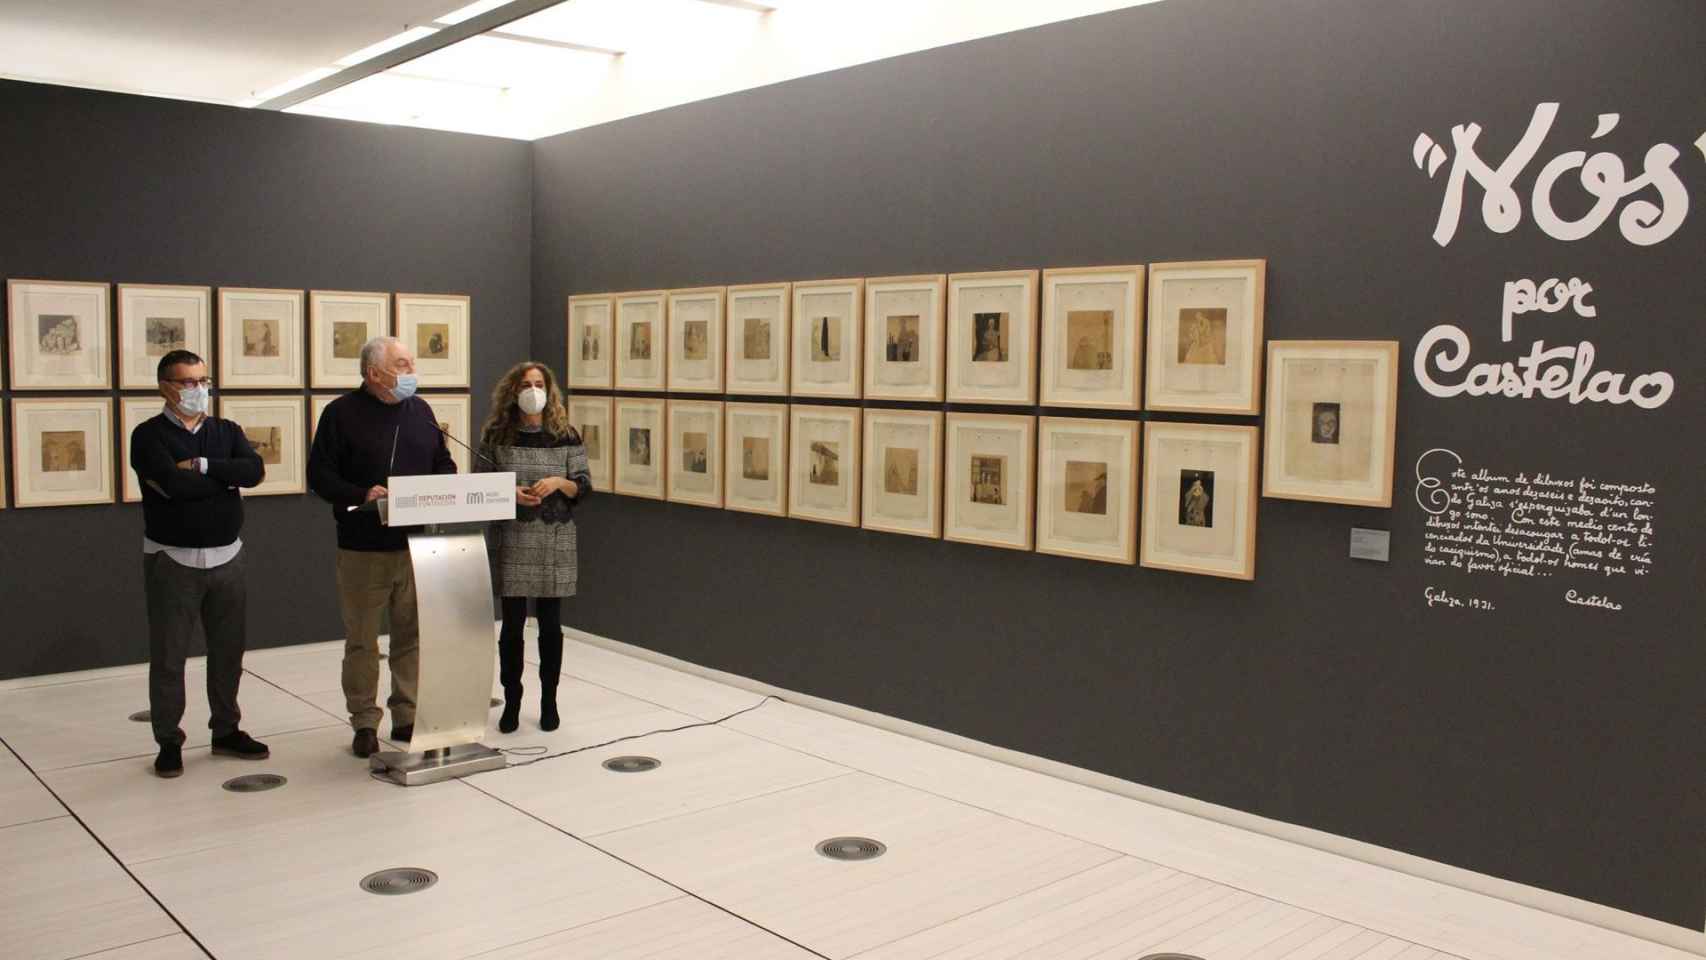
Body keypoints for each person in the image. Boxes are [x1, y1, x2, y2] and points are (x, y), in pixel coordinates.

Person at [307, 336, 456, 758]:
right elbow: (319, 476)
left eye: (412, 364)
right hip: (362, 547)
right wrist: (360, 493)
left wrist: (444, 483)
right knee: (363, 642)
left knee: (411, 636)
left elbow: (442, 463)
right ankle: (364, 721)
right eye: (403, 365)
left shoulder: (421, 411)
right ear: (374, 373)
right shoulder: (340, 414)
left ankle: (406, 714)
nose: (412, 373)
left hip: (415, 544)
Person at [129, 349, 269, 777]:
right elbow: (172, 486)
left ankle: (226, 729)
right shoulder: (148, 436)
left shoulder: (226, 430)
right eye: (188, 382)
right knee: (170, 657)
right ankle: (168, 740)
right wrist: (222, 482)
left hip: (228, 557)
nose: (197, 389)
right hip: (173, 559)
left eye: (203, 381)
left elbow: (254, 471)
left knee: (228, 651)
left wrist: (206, 467)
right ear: (165, 387)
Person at [478, 362, 591, 734]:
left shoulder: (566, 434)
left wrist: (559, 481)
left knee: (550, 626)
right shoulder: (496, 434)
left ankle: (549, 701)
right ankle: (512, 701)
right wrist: (509, 493)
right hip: (513, 536)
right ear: (513, 390)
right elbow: (480, 485)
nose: (532, 389)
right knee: (511, 627)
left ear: (549, 389)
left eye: (539, 383)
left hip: (554, 540)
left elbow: (584, 487)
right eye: (526, 384)